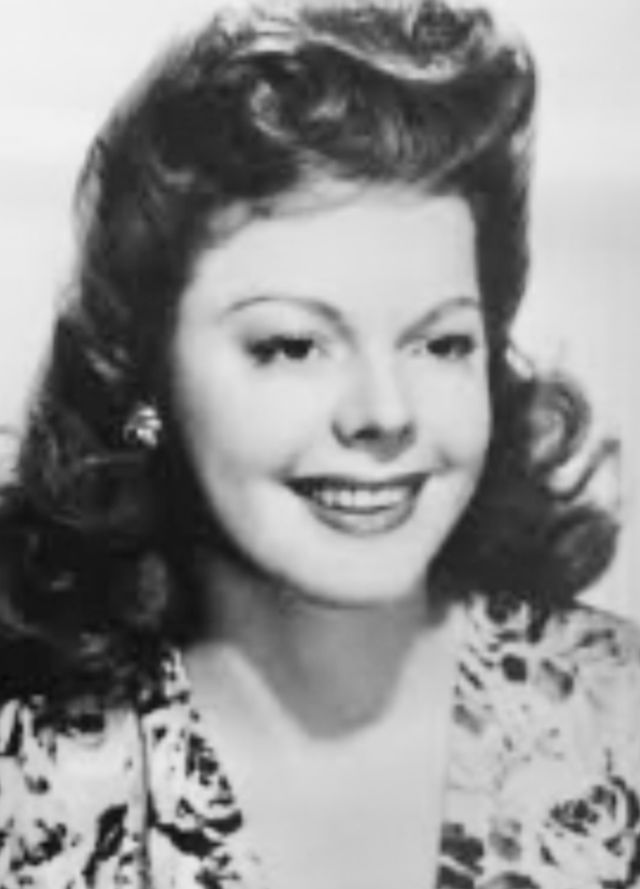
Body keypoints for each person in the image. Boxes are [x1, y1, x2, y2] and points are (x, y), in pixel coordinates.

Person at [0, 1, 638, 887]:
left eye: (440, 343)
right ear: (149, 374)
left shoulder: (621, 719)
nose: (385, 412)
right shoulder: (29, 784)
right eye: (293, 345)